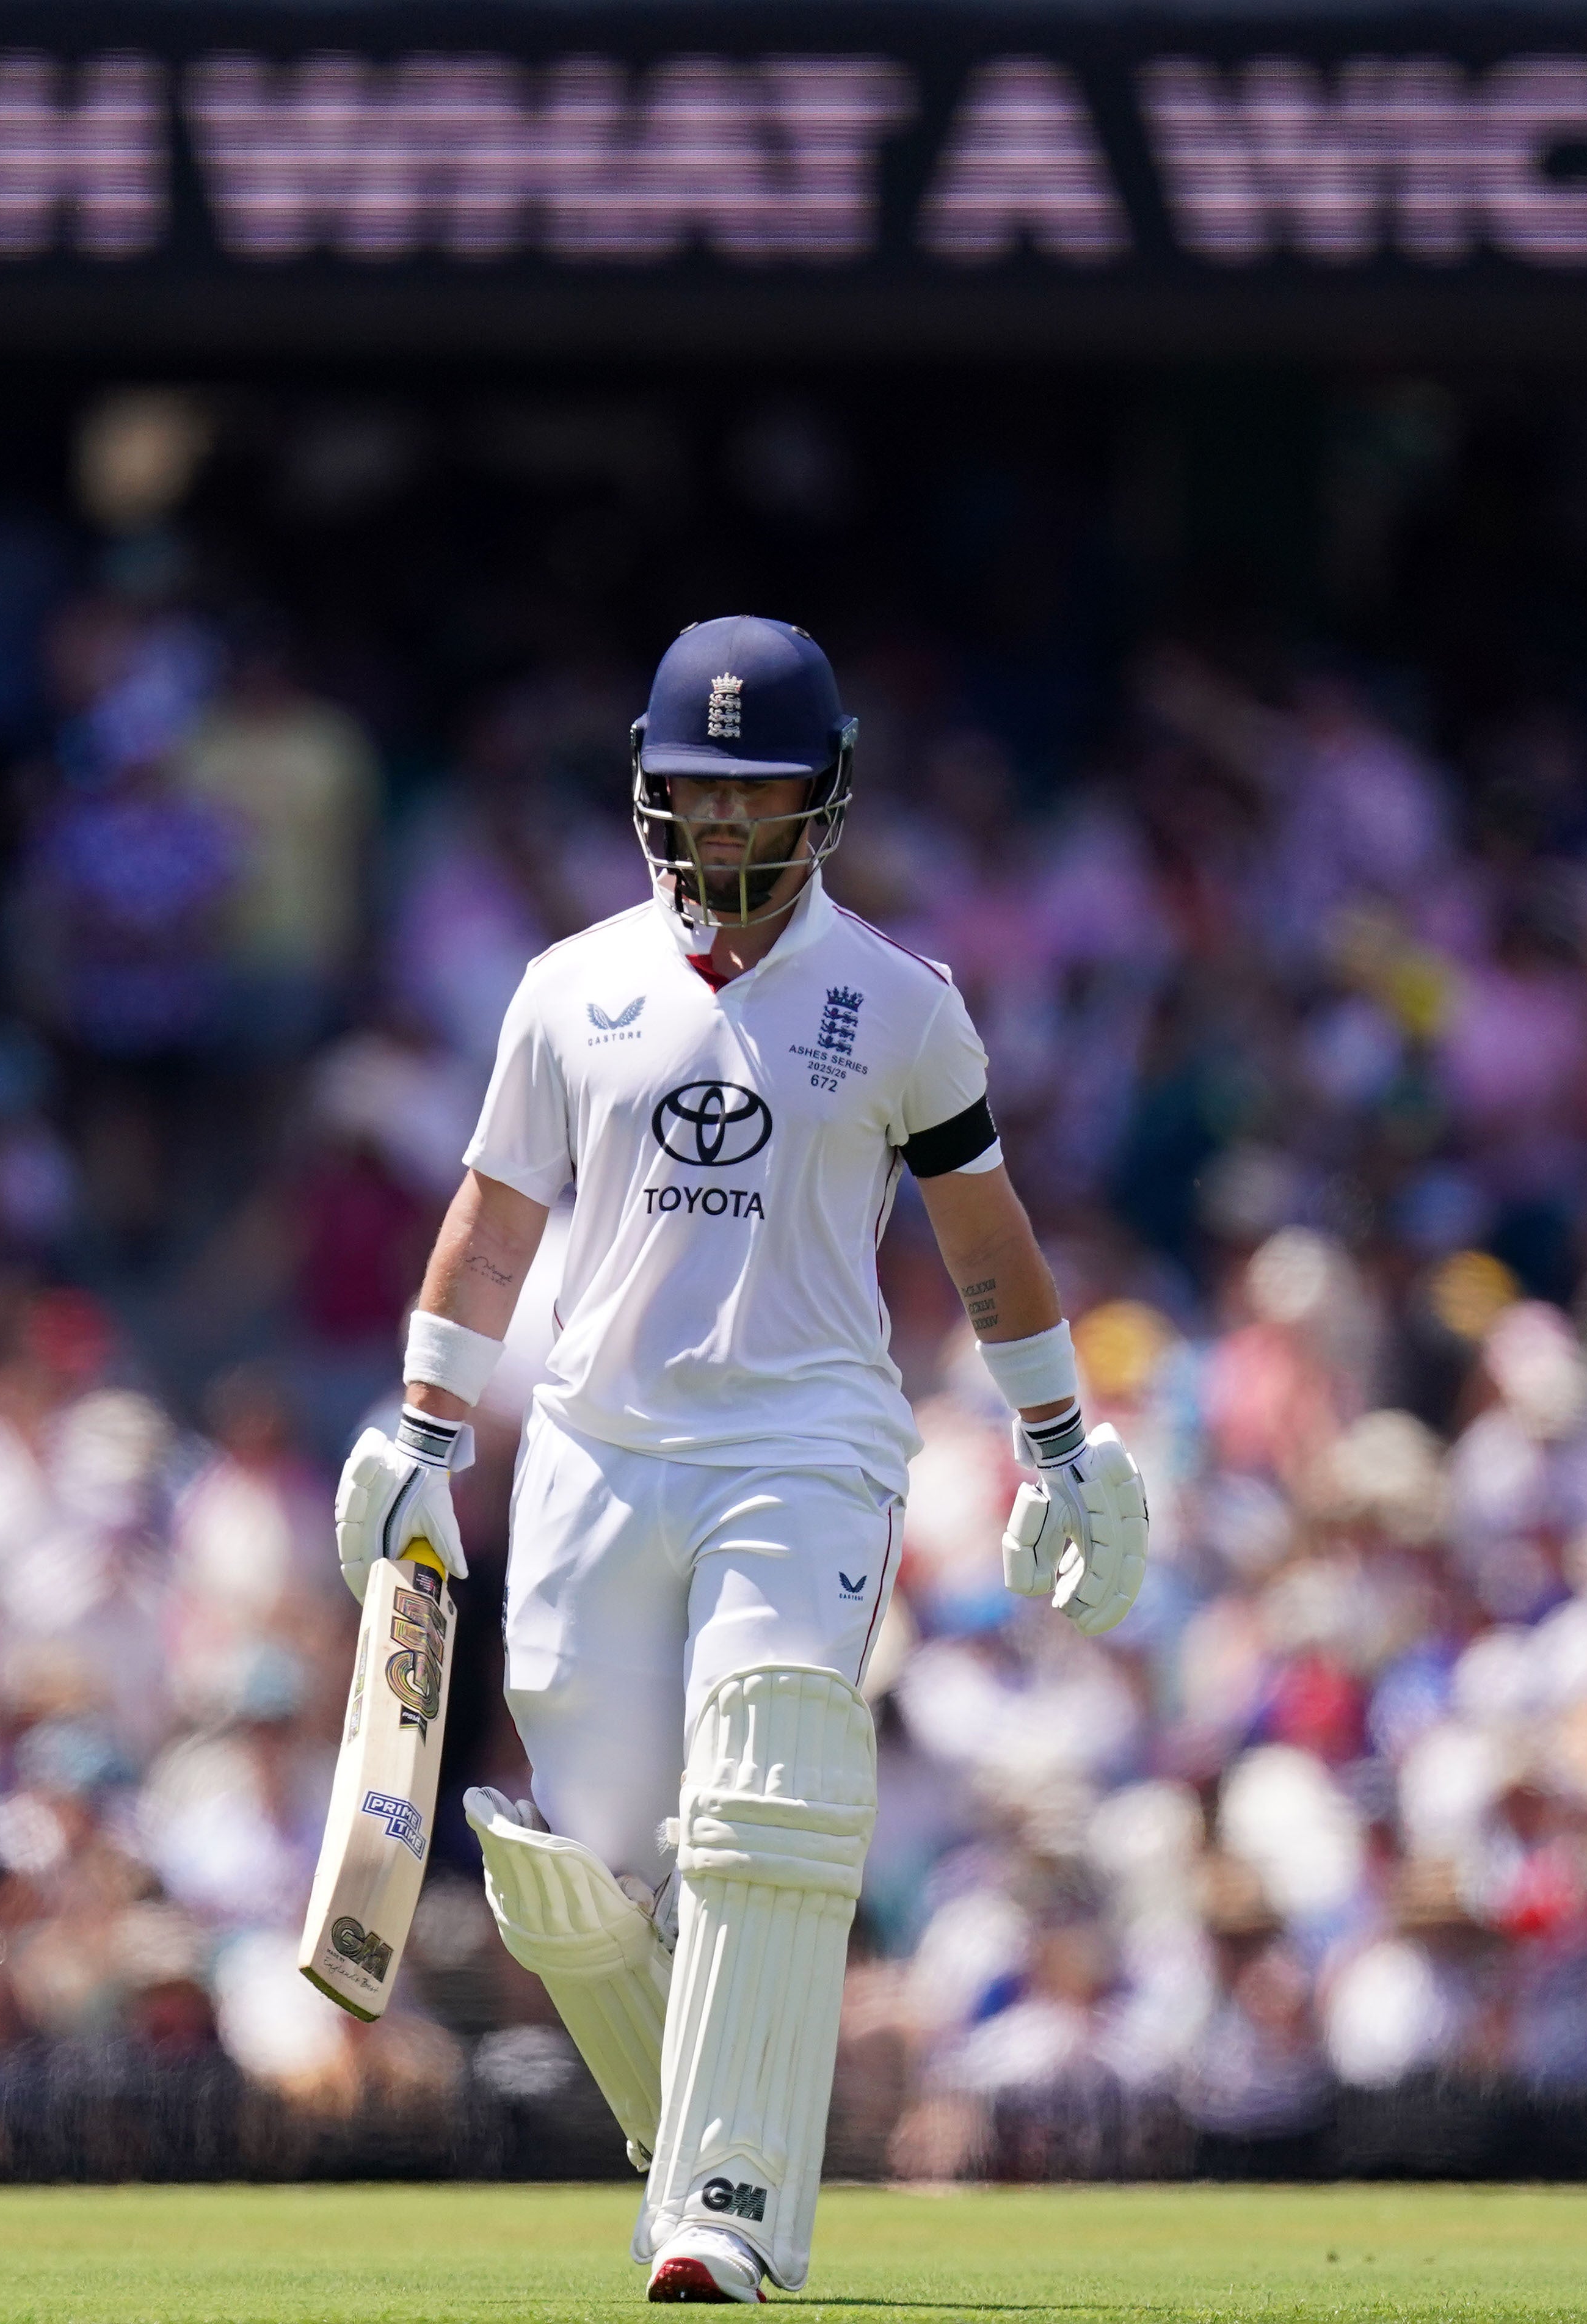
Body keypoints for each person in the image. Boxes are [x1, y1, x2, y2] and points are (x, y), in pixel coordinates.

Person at [332, 616, 1149, 2303]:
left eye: (751, 787)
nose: (718, 825)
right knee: (587, 1860)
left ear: (821, 795)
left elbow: (983, 1242)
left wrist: (1058, 1438)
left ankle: (727, 2204)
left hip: (805, 1436)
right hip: (592, 1446)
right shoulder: (569, 989)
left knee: (765, 1786)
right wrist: (421, 1421)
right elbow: (493, 1222)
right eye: (690, 791)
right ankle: (686, 2125)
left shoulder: (899, 1006)